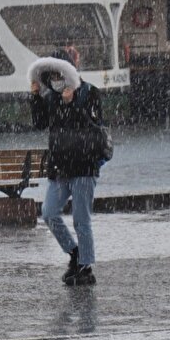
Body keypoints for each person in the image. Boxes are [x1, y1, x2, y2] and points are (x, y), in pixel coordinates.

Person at [29, 50, 105, 286]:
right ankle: (75, 253)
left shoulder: (90, 93)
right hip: (59, 167)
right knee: (49, 213)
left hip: (83, 166)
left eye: (58, 75)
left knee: (81, 219)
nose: (55, 81)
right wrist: (35, 98)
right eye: (51, 76)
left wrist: (72, 105)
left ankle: (85, 266)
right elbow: (40, 123)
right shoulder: (52, 98)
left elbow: (94, 124)